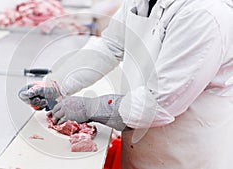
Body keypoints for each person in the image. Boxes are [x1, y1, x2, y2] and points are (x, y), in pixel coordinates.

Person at [19, 0, 233, 168]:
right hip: (141, 145)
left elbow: (158, 104)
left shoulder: (205, 13)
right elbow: (111, 46)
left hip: (188, 154)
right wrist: (57, 84)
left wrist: (91, 107)